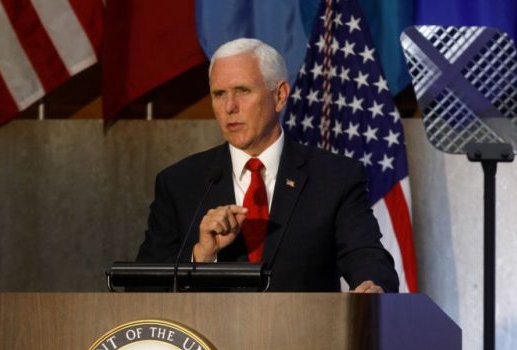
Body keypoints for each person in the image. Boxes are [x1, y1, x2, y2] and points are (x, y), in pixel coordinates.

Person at [136, 38, 398, 293]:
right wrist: (200, 257)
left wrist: (372, 287)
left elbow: (368, 260)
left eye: (242, 91)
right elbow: (141, 289)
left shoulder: (334, 177)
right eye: (219, 94)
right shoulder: (179, 183)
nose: (229, 107)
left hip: (303, 324)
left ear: (280, 95)